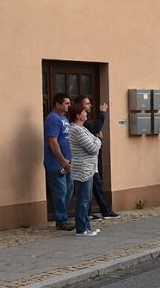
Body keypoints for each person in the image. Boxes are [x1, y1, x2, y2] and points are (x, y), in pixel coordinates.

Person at [78, 95, 119, 220]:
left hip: (91, 161)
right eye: (87, 104)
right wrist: (102, 113)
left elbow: (94, 132)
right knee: (93, 186)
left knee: (92, 187)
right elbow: (95, 130)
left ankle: (91, 212)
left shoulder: (85, 122)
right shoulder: (80, 125)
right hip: (87, 162)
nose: (90, 106)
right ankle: (102, 210)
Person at [67, 99, 102, 236]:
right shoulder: (76, 130)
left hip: (89, 168)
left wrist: (96, 139)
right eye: (83, 112)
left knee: (87, 199)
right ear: (77, 115)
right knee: (83, 199)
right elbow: (93, 147)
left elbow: (94, 139)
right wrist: (98, 140)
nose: (86, 114)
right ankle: (81, 229)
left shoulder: (84, 128)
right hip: (83, 169)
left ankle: (87, 226)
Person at [43, 93, 75, 231]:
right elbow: (53, 141)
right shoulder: (53, 119)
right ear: (57, 104)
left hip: (68, 162)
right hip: (56, 163)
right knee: (60, 191)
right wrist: (62, 160)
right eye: (66, 103)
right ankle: (61, 220)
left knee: (69, 189)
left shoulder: (64, 118)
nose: (69, 105)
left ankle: (62, 216)